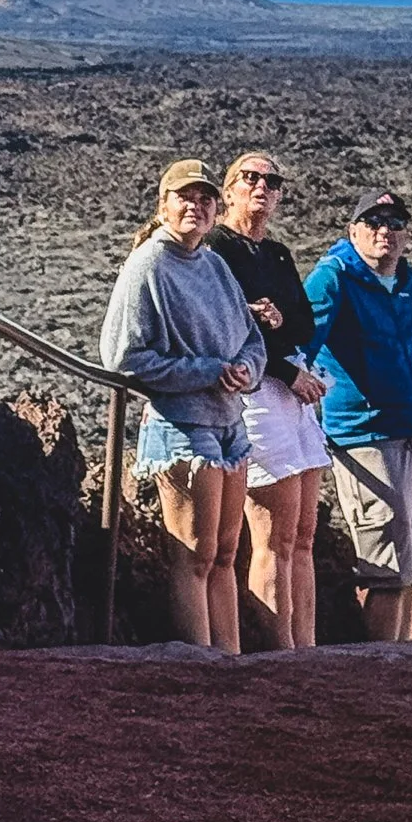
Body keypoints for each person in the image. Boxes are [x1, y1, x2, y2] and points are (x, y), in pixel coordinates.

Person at [100, 159, 266, 654]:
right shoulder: (147, 265)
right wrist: (207, 371)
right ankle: (200, 664)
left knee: (225, 554)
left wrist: (245, 371)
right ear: (164, 204)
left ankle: (230, 660)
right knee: (194, 555)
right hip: (181, 427)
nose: (196, 206)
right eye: (185, 197)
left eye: (205, 198)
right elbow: (124, 357)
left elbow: (252, 339)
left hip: (229, 425)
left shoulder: (214, 265)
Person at [207, 152, 328, 650]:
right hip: (255, 392)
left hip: (292, 397)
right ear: (230, 189)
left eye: (271, 181)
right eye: (249, 178)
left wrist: (276, 324)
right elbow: (218, 323)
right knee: (272, 537)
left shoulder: (277, 255)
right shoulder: (215, 248)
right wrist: (282, 364)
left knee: (303, 534)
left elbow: (303, 322)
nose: (261, 187)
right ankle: (277, 655)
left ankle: (306, 647)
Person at [306, 188, 412, 642]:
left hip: (407, 431)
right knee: (384, 567)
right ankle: (379, 671)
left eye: (395, 222)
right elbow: (303, 346)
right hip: (364, 435)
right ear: (353, 230)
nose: (385, 231)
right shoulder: (333, 277)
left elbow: (410, 351)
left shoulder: (404, 281)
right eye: (374, 221)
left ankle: (400, 663)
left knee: (407, 568)